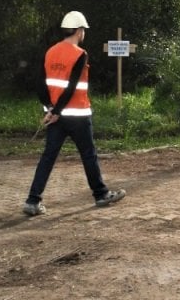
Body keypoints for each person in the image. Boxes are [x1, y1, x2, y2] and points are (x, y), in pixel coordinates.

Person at [23, 11, 125, 216]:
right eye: (83, 30)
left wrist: (50, 109)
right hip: (77, 116)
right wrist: (58, 111)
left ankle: (33, 201)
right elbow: (71, 87)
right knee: (88, 155)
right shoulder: (80, 54)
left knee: (48, 157)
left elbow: (40, 84)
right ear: (79, 31)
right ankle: (101, 194)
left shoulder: (50, 52)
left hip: (56, 117)